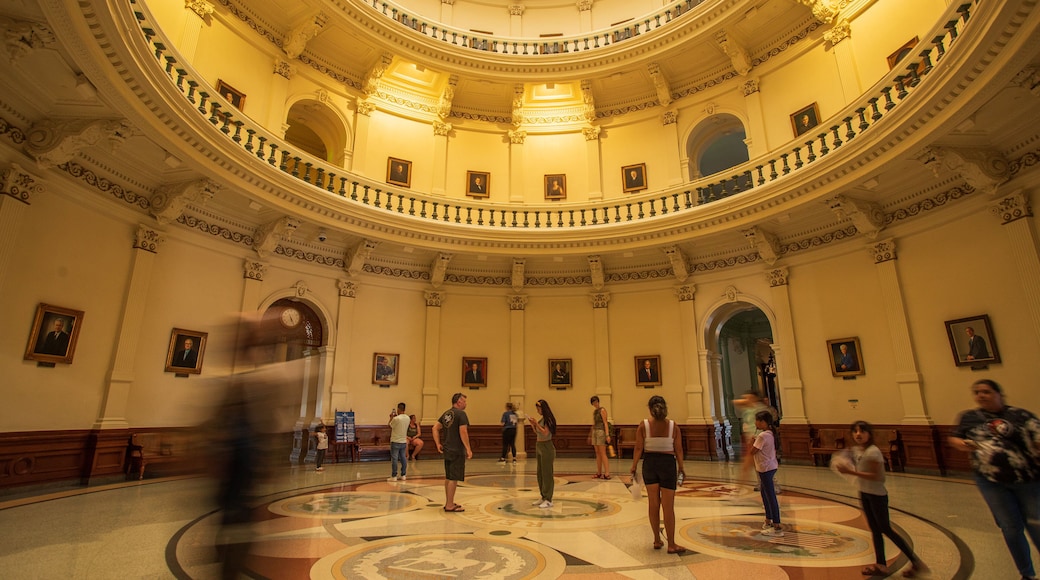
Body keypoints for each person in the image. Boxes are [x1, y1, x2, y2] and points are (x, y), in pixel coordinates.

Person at [949, 379, 1040, 580]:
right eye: (977, 392)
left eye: (987, 391)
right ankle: (1027, 574)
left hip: (1027, 480)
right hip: (990, 481)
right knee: (1010, 527)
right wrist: (965, 444)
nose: (981, 395)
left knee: (1036, 525)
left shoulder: (1020, 416)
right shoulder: (970, 418)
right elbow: (954, 438)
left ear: (999, 394)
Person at [836, 421, 929, 577]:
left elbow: (877, 477)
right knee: (875, 530)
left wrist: (851, 473)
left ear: (869, 434)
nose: (858, 434)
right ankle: (881, 564)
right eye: (855, 431)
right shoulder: (860, 450)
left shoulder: (873, 452)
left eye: (862, 431)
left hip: (876, 495)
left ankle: (915, 561)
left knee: (885, 529)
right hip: (865, 493)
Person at [630, 395, 686, 553]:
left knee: (653, 504)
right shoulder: (673, 427)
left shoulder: (644, 425)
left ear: (649, 408)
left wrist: (633, 466)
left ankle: (656, 539)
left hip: (650, 464)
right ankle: (672, 544)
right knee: (668, 507)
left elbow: (638, 448)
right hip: (668, 464)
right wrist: (681, 467)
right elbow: (679, 449)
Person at [743, 410, 783, 537]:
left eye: (757, 420)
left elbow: (753, 451)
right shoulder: (769, 434)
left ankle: (776, 524)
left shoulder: (762, 436)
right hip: (769, 466)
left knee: (770, 496)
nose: (755, 423)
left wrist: (751, 443)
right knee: (765, 494)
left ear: (763, 422)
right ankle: (768, 519)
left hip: (765, 468)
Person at [433, 393, 471, 512]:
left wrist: (438, 443)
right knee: (453, 478)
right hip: (456, 450)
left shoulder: (446, 413)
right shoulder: (461, 414)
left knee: (449, 477)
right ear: (459, 402)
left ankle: (449, 501)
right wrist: (468, 449)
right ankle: (449, 505)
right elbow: (463, 431)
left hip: (447, 449)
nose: (466, 403)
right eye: (464, 401)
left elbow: (435, 428)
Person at [528, 399, 557, 508]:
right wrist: (533, 425)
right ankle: (543, 496)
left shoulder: (548, 419)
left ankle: (549, 498)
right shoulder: (541, 419)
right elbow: (537, 432)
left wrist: (536, 424)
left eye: (538, 408)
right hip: (539, 446)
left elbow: (545, 433)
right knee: (540, 473)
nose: (537, 410)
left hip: (546, 447)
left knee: (547, 473)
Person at [589, 396, 612, 479]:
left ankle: (607, 473)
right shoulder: (595, 412)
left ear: (598, 402)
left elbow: (605, 423)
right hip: (595, 432)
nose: (595, 404)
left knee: (603, 453)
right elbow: (594, 423)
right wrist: (590, 434)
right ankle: (599, 472)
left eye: (596, 402)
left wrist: (607, 435)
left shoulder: (602, 410)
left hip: (601, 432)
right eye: (593, 402)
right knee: (597, 453)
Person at [388, 402, 410, 481]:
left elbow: (390, 425)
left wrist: (391, 417)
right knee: (403, 458)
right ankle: (403, 474)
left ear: (398, 409)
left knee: (394, 458)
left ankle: (394, 476)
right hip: (403, 441)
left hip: (395, 441)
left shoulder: (396, 418)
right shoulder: (408, 418)